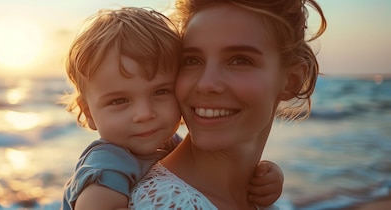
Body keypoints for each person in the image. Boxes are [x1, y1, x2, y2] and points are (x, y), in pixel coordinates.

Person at [61, 7, 285, 210]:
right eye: (119, 101)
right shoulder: (108, 162)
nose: (144, 114)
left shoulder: (169, 145)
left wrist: (265, 175)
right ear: (88, 112)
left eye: (160, 92)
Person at [129, 0, 327, 209]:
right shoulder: (163, 203)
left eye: (239, 60)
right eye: (192, 60)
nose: (206, 84)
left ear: (292, 80)